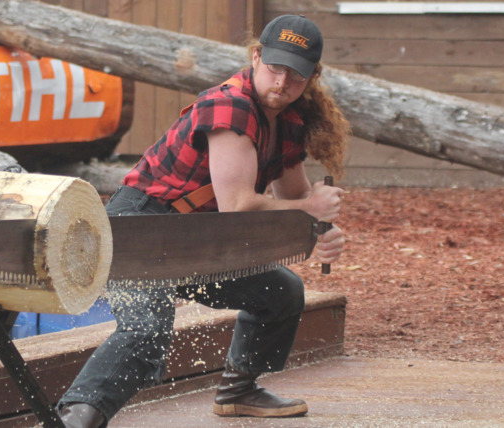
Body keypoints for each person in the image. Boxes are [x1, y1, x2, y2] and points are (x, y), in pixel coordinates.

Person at [57, 15, 349, 427]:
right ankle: (76, 417)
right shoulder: (230, 106)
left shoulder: (287, 121)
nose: (282, 83)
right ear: (256, 56)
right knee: (147, 330)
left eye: (295, 76)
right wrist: (310, 210)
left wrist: (321, 227)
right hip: (140, 228)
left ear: (312, 77)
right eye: (275, 68)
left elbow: (297, 198)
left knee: (280, 291)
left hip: (200, 238)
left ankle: (239, 391)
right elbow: (239, 205)